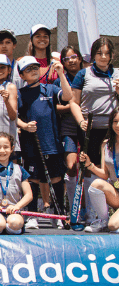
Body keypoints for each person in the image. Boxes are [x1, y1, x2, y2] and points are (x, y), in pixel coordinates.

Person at [16, 55, 75, 229]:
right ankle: (32, 215)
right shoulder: (21, 93)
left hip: (52, 143)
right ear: (22, 76)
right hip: (31, 143)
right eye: (28, 70)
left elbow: (68, 96)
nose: (33, 71)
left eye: (35, 68)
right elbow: (15, 118)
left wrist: (61, 74)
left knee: (56, 178)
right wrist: (25, 126)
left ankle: (57, 214)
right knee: (33, 179)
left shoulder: (50, 88)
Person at [70, 37, 119, 203]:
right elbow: (73, 102)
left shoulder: (118, 74)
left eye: (106, 53)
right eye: (99, 53)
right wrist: (80, 121)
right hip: (89, 130)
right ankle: (90, 212)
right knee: (89, 167)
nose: (103, 57)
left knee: (108, 167)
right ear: (93, 55)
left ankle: (108, 208)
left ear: (112, 55)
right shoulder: (83, 74)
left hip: (112, 130)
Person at [79, 107, 119, 233]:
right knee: (95, 184)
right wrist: (89, 164)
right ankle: (103, 221)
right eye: (115, 121)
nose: (118, 125)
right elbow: (105, 174)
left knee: (114, 227)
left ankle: (111, 222)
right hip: (115, 192)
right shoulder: (106, 144)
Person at [55, 46, 84, 216]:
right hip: (68, 128)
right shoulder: (60, 80)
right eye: (67, 58)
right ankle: (73, 209)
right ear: (63, 63)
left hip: (87, 126)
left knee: (88, 168)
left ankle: (87, 209)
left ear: (80, 58)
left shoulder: (88, 76)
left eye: (74, 56)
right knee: (71, 167)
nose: (71, 60)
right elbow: (54, 106)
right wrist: (71, 107)